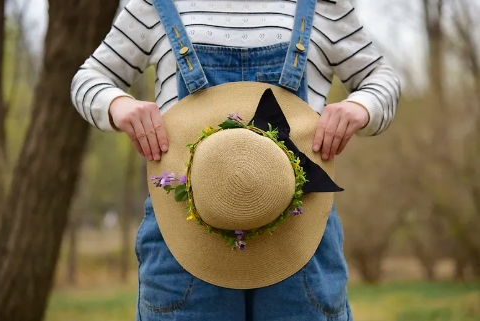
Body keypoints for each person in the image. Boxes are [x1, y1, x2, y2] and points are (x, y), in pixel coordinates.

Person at [71, 0, 401, 320]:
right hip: (182, 242)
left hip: (303, 239)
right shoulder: (154, 5)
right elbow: (89, 77)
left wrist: (362, 107)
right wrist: (116, 104)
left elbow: (381, 78)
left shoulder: (324, 6)